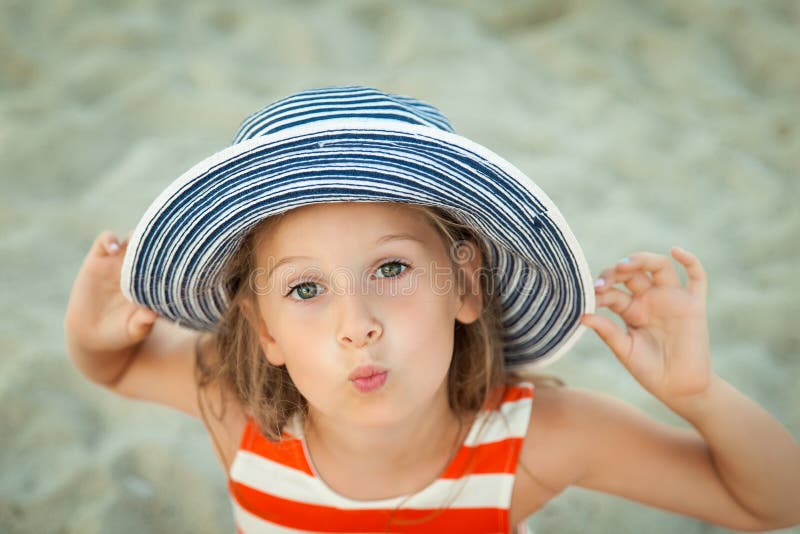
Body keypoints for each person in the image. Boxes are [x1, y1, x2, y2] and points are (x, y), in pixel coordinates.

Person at [64, 85, 800, 533]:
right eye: (305, 289)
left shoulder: (534, 441)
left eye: (391, 268)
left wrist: (698, 396)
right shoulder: (240, 412)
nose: (358, 324)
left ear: (467, 287)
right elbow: (113, 368)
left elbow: (772, 503)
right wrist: (91, 327)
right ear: (264, 331)